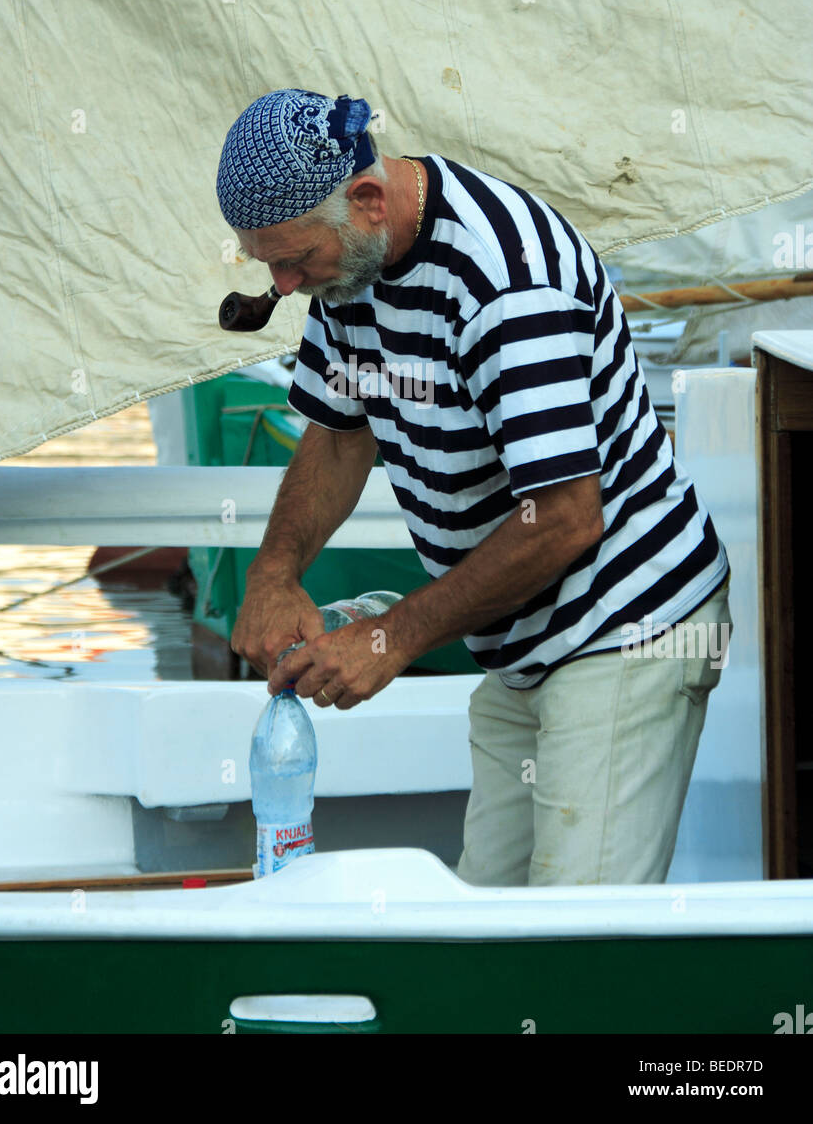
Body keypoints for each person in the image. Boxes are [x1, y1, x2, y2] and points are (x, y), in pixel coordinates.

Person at [220, 87, 733, 886]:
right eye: (267, 263)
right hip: (519, 645)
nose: (283, 285)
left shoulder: (505, 284)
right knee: (485, 926)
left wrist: (392, 638)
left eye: (294, 258)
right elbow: (336, 436)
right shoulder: (345, 268)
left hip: (627, 627)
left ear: (366, 198)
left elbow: (564, 520)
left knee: (570, 949)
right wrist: (274, 573)